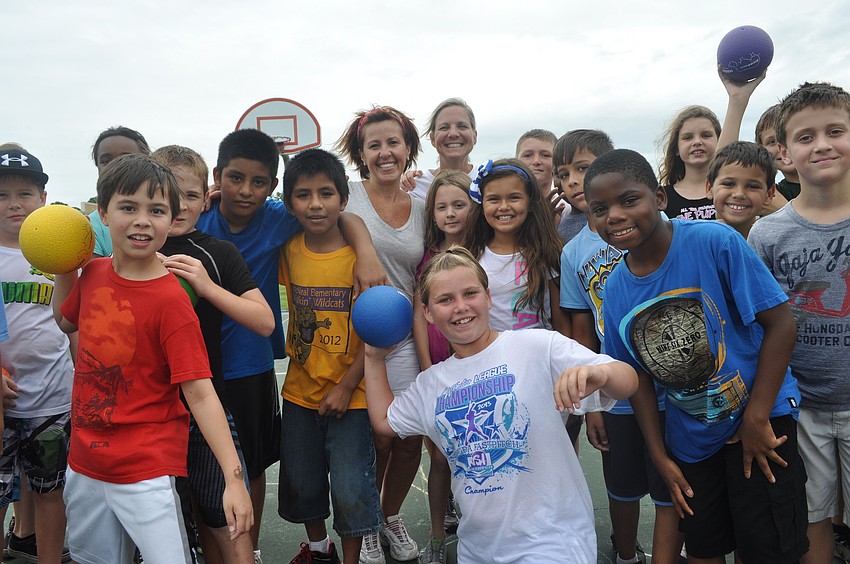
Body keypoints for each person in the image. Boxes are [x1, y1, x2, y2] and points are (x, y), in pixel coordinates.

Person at [586, 148, 807, 563]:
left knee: (768, 548)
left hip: (761, 420)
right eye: (600, 209)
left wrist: (757, 417)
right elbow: (637, 378)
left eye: (629, 200)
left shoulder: (714, 241)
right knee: (704, 547)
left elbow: (781, 324)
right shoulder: (615, 288)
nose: (614, 215)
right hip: (692, 440)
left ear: (660, 198)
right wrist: (659, 455)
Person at [364, 245, 638, 563]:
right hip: (477, 549)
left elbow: (628, 380)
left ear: (488, 297)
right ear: (427, 313)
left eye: (470, 293)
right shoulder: (430, 384)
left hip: (552, 542)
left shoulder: (537, 346)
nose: (460, 307)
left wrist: (600, 373)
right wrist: (373, 355)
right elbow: (384, 421)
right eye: (445, 299)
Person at [195, 129, 385, 564]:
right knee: (264, 476)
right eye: (235, 179)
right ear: (218, 176)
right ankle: (307, 549)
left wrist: (367, 250)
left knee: (271, 466)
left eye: (258, 182)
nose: (247, 190)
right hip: (218, 369)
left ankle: (258, 549)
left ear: (272, 187)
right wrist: (194, 197)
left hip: (264, 366)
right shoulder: (207, 220)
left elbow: (343, 217)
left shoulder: (286, 224)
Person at [52, 154, 253, 564]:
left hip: (147, 468)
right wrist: (62, 267)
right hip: (85, 463)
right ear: (103, 214)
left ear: (171, 219)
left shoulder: (171, 300)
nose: (142, 221)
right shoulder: (92, 274)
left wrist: (234, 479)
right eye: (128, 207)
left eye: (156, 211)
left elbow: (200, 393)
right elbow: (65, 320)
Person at [558, 132, 682, 564]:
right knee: (622, 484)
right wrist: (593, 404)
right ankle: (626, 554)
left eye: (584, 167)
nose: (575, 180)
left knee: (672, 484)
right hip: (619, 385)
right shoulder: (573, 252)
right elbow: (582, 330)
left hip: (678, 384)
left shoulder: (662, 231)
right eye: (564, 174)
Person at [153, 145, 273, 564]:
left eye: (190, 195)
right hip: (146, 412)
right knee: (164, 520)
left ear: (206, 198)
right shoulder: (132, 249)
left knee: (227, 518)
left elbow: (265, 321)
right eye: (168, 194)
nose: (179, 205)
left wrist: (206, 286)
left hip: (205, 406)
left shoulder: (218, 253)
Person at [748, 81, 850, 564]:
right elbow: (759, 327)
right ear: (784, 152)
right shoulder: (767, 233)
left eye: (835, 131)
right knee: (811, 520)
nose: (822, 144)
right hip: (800, 406)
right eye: (806, 137)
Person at [276, 149, 383, 564]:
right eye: (303, 195)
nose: (315, 204)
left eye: (326, 193)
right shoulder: (288, 250)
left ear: (343, 199)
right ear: (290, 204)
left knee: (351, 489)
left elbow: (378, 334)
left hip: (352, 395)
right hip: (300, 393)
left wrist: (347, 385)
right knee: (304, 484)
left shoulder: (362, 260)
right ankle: (320, 551)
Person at [335, 105, 426, 564]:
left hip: (406, 335)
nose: (385, 152)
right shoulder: (347, 197)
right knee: (377, 438)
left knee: (408, 438)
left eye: (393, 142)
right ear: (361, 154)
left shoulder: (424, 204)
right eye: (374, 145)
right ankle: (367, 521)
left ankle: (389, 515)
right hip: (358, 337)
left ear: (408, 148)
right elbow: (299, 207)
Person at [0, 148, 73, 564]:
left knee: (52, 492)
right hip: (2, 403)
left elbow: (74, 323)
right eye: (2, 195)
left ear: (43, 198)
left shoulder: (61, 254)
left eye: (24, 193)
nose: (14, 204)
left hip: (52, 399)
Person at [412, 171, 475, 564]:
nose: (450, 213)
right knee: (439, 457)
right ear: (431, 213)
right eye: (441, 207)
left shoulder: (482, 253)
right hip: (439, 366)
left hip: (477, 370)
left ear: (473, 208)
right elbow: (419, 315)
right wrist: (426, 367)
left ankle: (477, 528)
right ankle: (437, 534)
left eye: (459, 205)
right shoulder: (428, 258)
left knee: (475, 454)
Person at [465, 158, 568, 334]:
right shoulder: (471, 257)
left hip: (540, 349)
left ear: (530, 203)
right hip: (491, 350)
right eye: (494, 199)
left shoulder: (547, 251)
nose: (504, 207)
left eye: (514, 198)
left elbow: (562, 323)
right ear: (482, 206)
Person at [88, 126, 152, 258]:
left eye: (127, 159)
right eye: (106, 161)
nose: (115, 166)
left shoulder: (167, 216)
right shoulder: (91, 226)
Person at [404, 98, 478, 201]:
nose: (453, 134)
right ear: (433, 138)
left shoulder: (487, 179)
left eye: (462, 126)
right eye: (444, 128)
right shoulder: (415, 188)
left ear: (474, 136)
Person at [658, 106, 721, 220]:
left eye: (706, 135)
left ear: (719, 142)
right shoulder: (662, 198)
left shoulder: (728, 192)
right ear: (676, 149)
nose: (697, 142)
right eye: (688, 137)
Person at [706, 141, 776, 238]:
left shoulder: (775, 242)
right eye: (728, 184)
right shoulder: (696, 240)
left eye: (752, 186)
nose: (739, 194)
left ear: (769, 194)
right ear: (709, 188)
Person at [755, 103, 800, 202]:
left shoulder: (831, 186)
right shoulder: (770, 195)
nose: (782, 147)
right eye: (772, 141)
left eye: (788, 136)